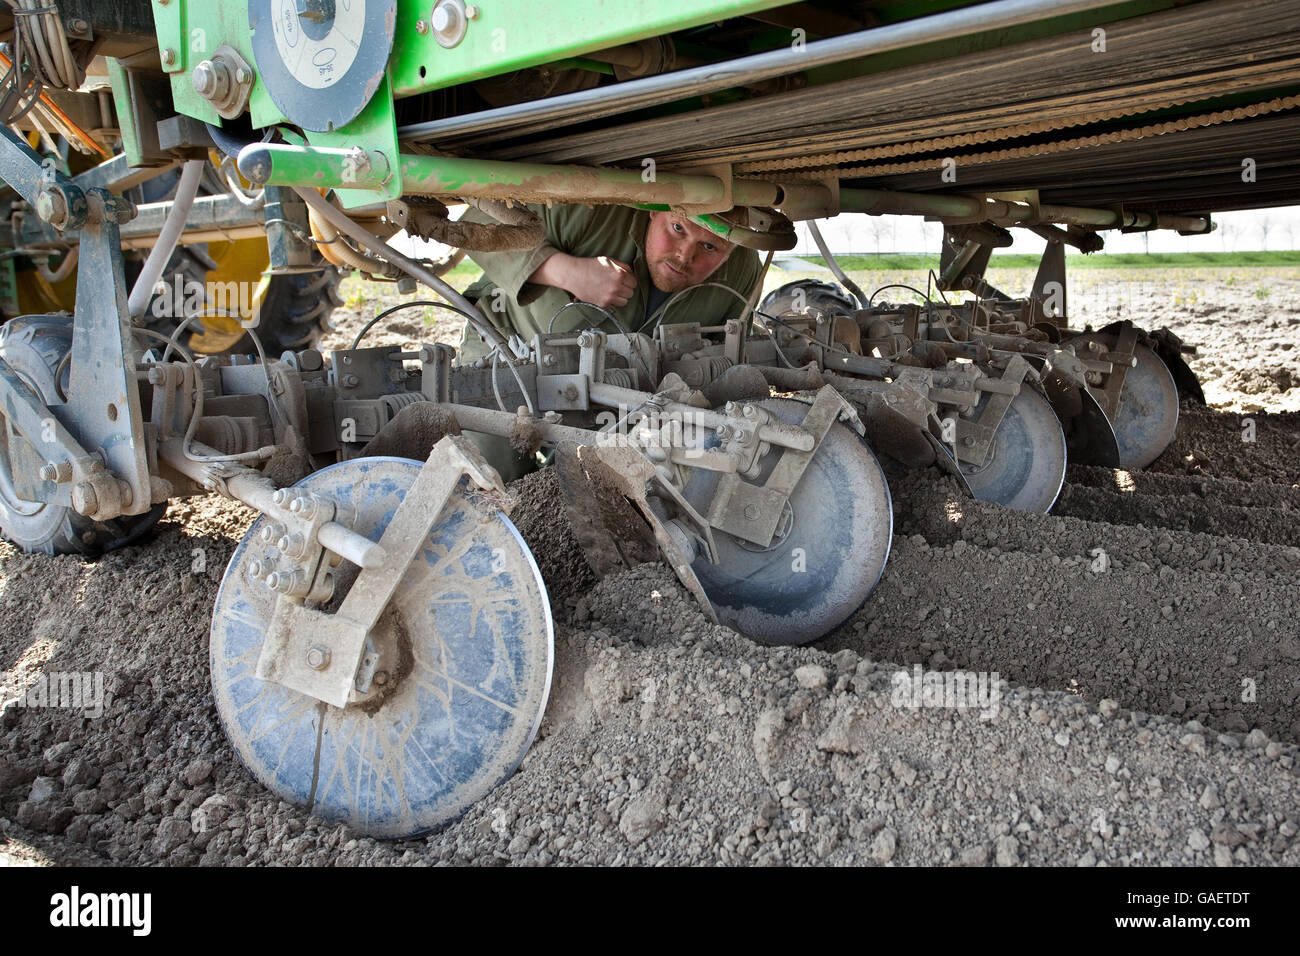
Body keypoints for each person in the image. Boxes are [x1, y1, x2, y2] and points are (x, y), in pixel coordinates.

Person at [454, 201, 795, 478]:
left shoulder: (742, 272)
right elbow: (477, 227)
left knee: (586, 496)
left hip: (621, 402)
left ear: (730, 251)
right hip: (508, 361)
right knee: (491, 480)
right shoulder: (590, 207)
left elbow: (726, 364)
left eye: (709, 247)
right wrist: (568, 271)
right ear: (652, 208)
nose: (684, 256)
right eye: (677, 228)